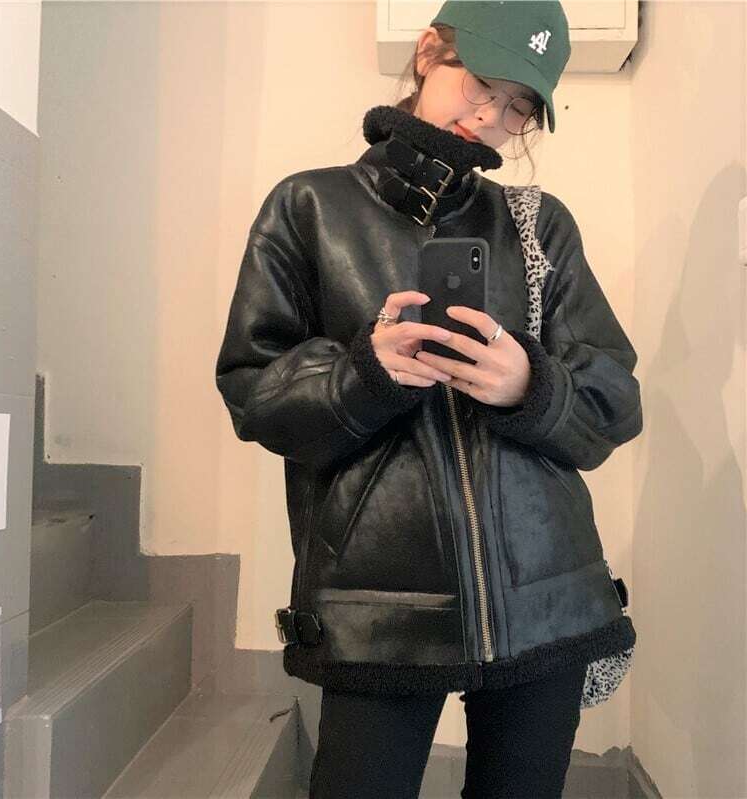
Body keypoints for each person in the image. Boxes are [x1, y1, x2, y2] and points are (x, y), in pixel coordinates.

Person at [215, 1, 643, 796]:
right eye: (481, 83)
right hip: (380, 608)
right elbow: (253, 390)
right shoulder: (307, 208)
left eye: (518, 105)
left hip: (547, 597)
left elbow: (615, 401)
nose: (491, 117)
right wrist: (364, 373)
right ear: (426, 52)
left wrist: (531, 385)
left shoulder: (538, 226)